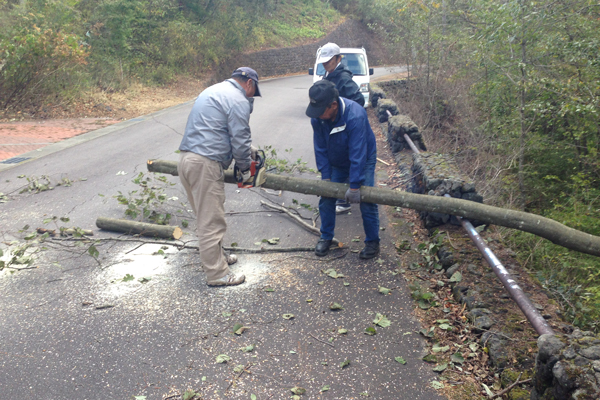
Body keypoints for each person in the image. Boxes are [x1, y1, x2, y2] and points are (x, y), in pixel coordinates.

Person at [178, 67, 261, 286]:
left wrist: (246, 150)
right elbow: (240, 138)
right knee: (211, 222)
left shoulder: (213, 90)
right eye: (254, 92)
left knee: (207, 216)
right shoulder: (238, 99)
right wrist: (245, 168)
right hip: (206, 164)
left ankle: (218, 258)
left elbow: (216, 129)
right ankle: (217, 274)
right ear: (249, 83)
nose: (252, 97)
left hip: (187, 159)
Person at [306, 80, 380, 259]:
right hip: (336, 161)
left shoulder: (355, 115)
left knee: (367, 199)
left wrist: (354, 186)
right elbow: (320, 148)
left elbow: (358, 154)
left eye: (320, 111)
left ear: (333, 105)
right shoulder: (318, 118)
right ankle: (326, 237)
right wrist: (326, 177)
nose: (317, 115)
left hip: (363, 157)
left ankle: (372, 242)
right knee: (327, 197)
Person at [317, 42, 365, 214]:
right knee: (334, 156)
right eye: (324, 61)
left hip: (343, 124)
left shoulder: (343, 78)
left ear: (338, 58)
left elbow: (359, 101)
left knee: (348, 157)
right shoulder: (328, 75)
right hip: (332, 124)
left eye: (329, 61)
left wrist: (342, 112)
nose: (325, 64)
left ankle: (346, 198)